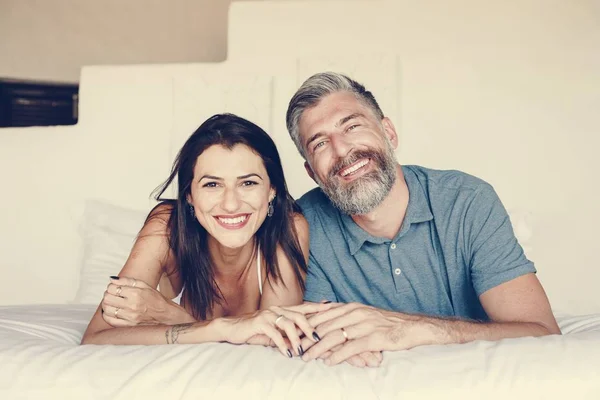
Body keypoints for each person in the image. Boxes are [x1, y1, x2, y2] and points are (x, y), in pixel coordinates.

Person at [284, 71, 561, 366]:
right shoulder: (303, 226)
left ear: (389, 133)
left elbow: (541, 334)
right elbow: (311, 338)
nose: (342, 150)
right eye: (320, 144)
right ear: (312, 173)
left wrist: (410, 330)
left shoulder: (466, 200)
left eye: (352, 126)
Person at [81, 113, 331, 358]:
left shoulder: (289, 227)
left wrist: (172, 316)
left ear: (271, 190)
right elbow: (96, 337)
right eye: (212, 184)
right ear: (189, 194)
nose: (231, 204)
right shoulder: (166, 226)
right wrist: (221, 328)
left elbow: (273, 343)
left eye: (248, 183)